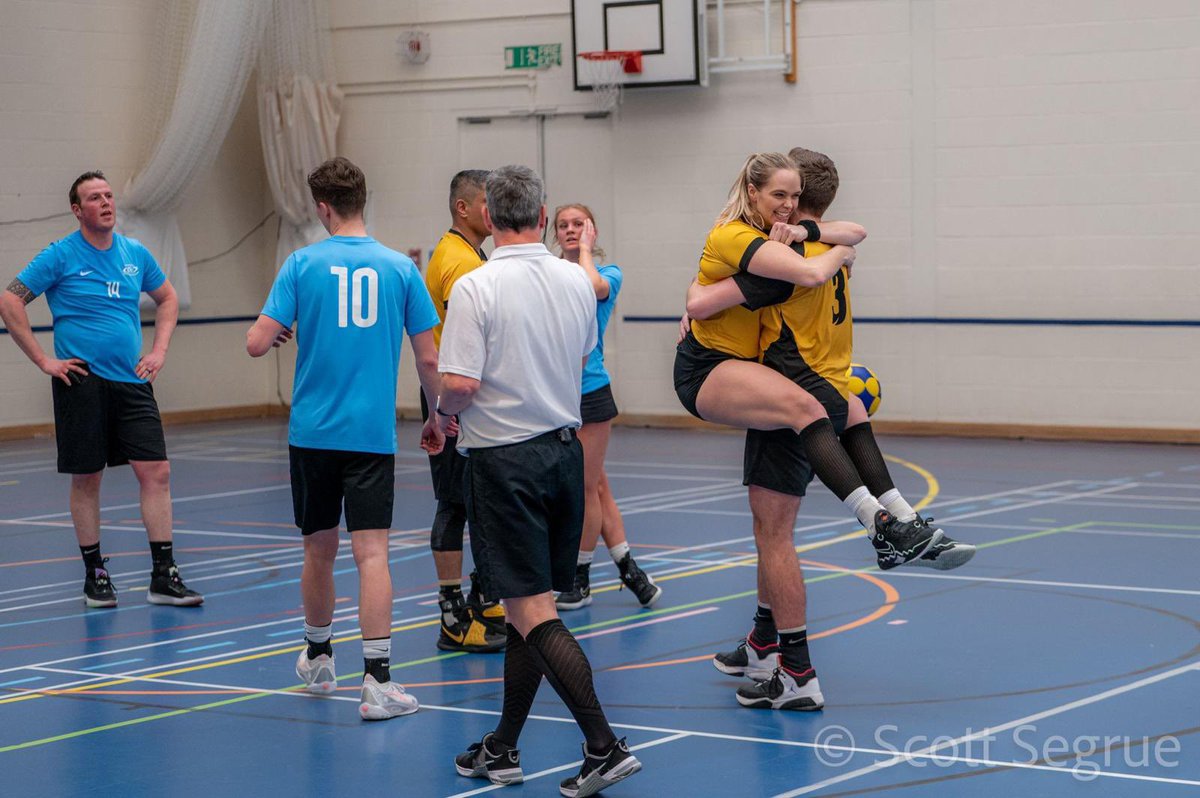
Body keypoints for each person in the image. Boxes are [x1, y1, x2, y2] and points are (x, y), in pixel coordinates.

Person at [689, 148, 975, 711]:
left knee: (774, 536)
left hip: (794, 389)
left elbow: (709, 300)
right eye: (779, 193)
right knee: (775, 527)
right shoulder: (828, 244)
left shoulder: (787, 254)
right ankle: (764, 640)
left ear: (795, 201)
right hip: (829, 382)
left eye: (790, 194)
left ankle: (796, 670)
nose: (784, 202)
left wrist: (694, 304)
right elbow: (851, 235)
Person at [440, 166, 640, 797]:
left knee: (531, 612)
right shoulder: (576, 280)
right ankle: (502, 746)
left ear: (489, 217)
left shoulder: (475, 285)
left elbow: (461, 384)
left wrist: (441, 414)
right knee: (530, 608)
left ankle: (603, 746)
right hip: (563, 456)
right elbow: (580, 358)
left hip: (505, 465)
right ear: (543, 214)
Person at [246, 157, 444, 720]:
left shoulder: (301, 264)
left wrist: (278, 328)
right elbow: (428, 359)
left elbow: (256, 343)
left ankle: (319, 657)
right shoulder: (400, 269)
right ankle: (377, 681)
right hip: (370, 435)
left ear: (322, 208)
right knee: (372, 553)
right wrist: (437, 417)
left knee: (318, 549)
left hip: (312, 433)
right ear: (363, 200)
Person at [0, 170, 202, 609]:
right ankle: (95, 574)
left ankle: (163, 576)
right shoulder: (60, 255)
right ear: (78, 210)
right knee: (87, 477)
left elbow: (167, 298)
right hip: (82, 382)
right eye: (95, 198)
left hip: (132, 381)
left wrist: (159, 350)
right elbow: (10, 299)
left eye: (109, 195)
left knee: (157, 471)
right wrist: (43, 360)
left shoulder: (135, 253)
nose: (106, 202)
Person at [550, 204, 661, 612]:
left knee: (584, 489)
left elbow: (591, 286)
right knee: (596, 486)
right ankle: (630, 571)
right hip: (554, 392)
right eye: (563, 225)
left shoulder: (609, 273)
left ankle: (579, 579)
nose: (570, 230)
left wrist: (584, 250)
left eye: (578, 224)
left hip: (590, 391)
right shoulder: (549, 272)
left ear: (592, 230)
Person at [422, 169, 506, 653]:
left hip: (466, 398)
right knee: (453, 502)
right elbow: (466, 337)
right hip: (453, 398)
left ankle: (483, 595)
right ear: (463, 208)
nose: (493, 213)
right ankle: (451, 615)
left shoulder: (473, 254)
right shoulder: (457, 261)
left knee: (478, 500)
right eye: (486, 203)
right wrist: (446, 406)